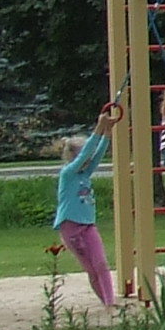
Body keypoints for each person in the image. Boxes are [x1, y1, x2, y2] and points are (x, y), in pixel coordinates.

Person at [52, 105, 121, 310]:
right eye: (84, 157)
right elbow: (87, 153)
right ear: (74, 157)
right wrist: (99, 128)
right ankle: (105, 301)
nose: (88, 160)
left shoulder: (84, 174)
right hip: (70, 228)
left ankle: (110, 303)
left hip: (88, 226)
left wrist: (107, 132)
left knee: (101, 264)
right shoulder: (68, 173)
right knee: (91, 270)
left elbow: (96, 155)